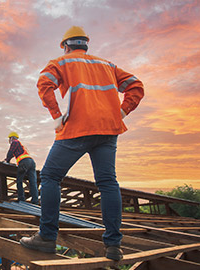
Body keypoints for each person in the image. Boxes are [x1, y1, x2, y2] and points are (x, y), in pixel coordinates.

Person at [19, 26, 144, 260]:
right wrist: (122, 112)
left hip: (78, 128)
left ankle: (46, 237)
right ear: (85, 45)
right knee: (107, 182)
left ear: (66, 46)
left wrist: (56, 116)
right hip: (108, 129)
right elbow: (137, 86)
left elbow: (44, 84)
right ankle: (114, 245)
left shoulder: (63, 62)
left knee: (50, 177)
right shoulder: (107, 65)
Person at [3, 132, 39, 204]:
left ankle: (21, 199)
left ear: (12, 138)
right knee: (33, 182)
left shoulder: (15, 142)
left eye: (10, 139)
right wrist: (8, 159)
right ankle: (35, 201)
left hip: (24, 162)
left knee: (19, 181)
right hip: (31, 162)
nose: (10, 140)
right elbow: (13, 154)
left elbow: (10, 151)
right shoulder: (20, 146)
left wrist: (6, 160)